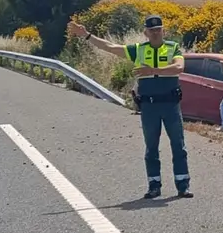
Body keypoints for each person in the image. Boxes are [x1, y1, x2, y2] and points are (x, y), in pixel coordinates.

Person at [66, 15, 194, 199]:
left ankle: (183, 185)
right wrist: (87, 35)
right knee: (151, 148)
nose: (156, 33)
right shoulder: (138, 50)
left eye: (158, 29)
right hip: (149, 107)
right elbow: (109, 47)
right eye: (152, 30)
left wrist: (153, 71)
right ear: (145, 33)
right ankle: (154, 185)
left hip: (170, 105)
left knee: (178, 146)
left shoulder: (173, 47)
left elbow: (178, 68)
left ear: (163, 31)